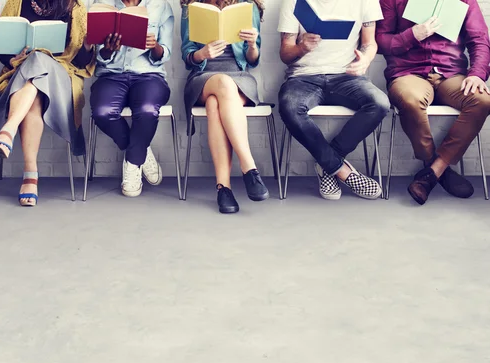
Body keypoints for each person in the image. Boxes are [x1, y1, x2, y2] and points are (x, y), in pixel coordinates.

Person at [0, 0, 94, 206]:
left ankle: (9, 130)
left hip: (60, 77)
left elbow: (80, 61)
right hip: (22, 73)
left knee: (39, 60)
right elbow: (3, 54)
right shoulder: (15, 4)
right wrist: (17, 56)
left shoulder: (75, 7)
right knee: (35, 81)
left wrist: (88, 44)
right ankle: (30, 174)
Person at [377, 0, 490, 205]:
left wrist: (477, 74)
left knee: (482, 100)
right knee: (410, 99)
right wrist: (411, 36)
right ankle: (436, 168)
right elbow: (379, 41)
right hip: (408, 73)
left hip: (451, 74)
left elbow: (479, 39)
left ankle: (434, 171)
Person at [277, 0, 390, 201]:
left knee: (380, 103)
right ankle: (340, 170)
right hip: (304, 77)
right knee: (290, 106)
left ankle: (326, 164)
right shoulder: (294, 2)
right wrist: (302, 47)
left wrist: (364, 60)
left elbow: (369, 43)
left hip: (347, 75)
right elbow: (285, 54)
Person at [181, 0, 269, 214]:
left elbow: (253, 61)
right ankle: (249, 168)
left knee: (215, 103)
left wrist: (252, 45)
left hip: (239, 77)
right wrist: (202, 54)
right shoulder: (191, 8)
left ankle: (224, 189)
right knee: (222, 83)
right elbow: (187, 56)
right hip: (203, 77)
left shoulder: (248, 7)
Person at [90, 0, 174, 197]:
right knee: (102, 112)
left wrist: (155, 47)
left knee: (146, 110)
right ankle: (141, 149)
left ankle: (134, 163)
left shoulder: (160, 6)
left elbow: (166, 52)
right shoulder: (101, 5)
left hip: (148, 75)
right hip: (111, 75)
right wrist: (109, 49)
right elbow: (96, 53)